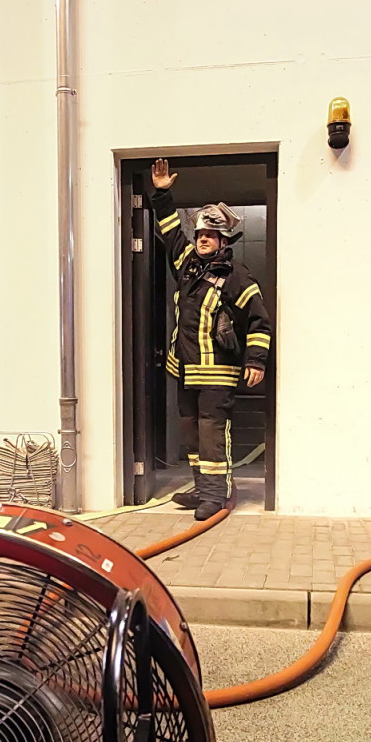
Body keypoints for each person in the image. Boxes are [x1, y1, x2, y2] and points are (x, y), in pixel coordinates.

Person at [150, 158, 273, 520]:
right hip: (185, 371)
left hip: (217, 374)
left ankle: (215, 495)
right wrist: (162, 195)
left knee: (211, 434)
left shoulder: (236, 276)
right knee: (191, 434)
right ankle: (201, 488)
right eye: (200, 234)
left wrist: (256, 360)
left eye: (210, 235)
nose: (202, 239)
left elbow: (259, 321)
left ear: (223, 241)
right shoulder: (188, 266)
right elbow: (171, 232)